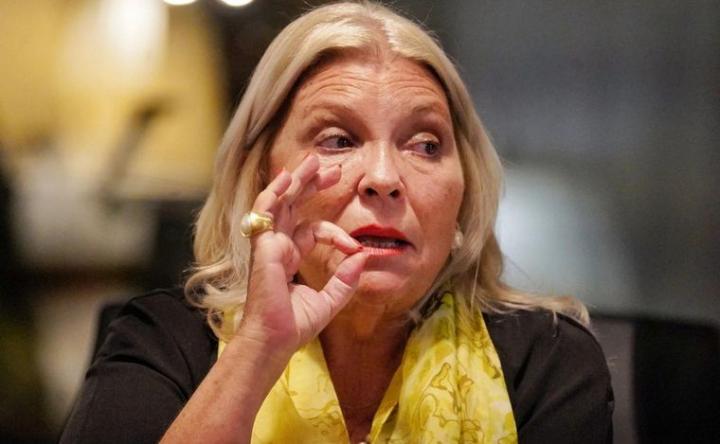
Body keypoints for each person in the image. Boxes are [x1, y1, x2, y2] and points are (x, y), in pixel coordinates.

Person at [61, 2, 613, 443]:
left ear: (463, 194)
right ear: (261, 177)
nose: (384, 178)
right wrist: (257, 349)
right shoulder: (164, 343)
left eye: (425, 145)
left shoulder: (547, 360)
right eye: (338, 140)